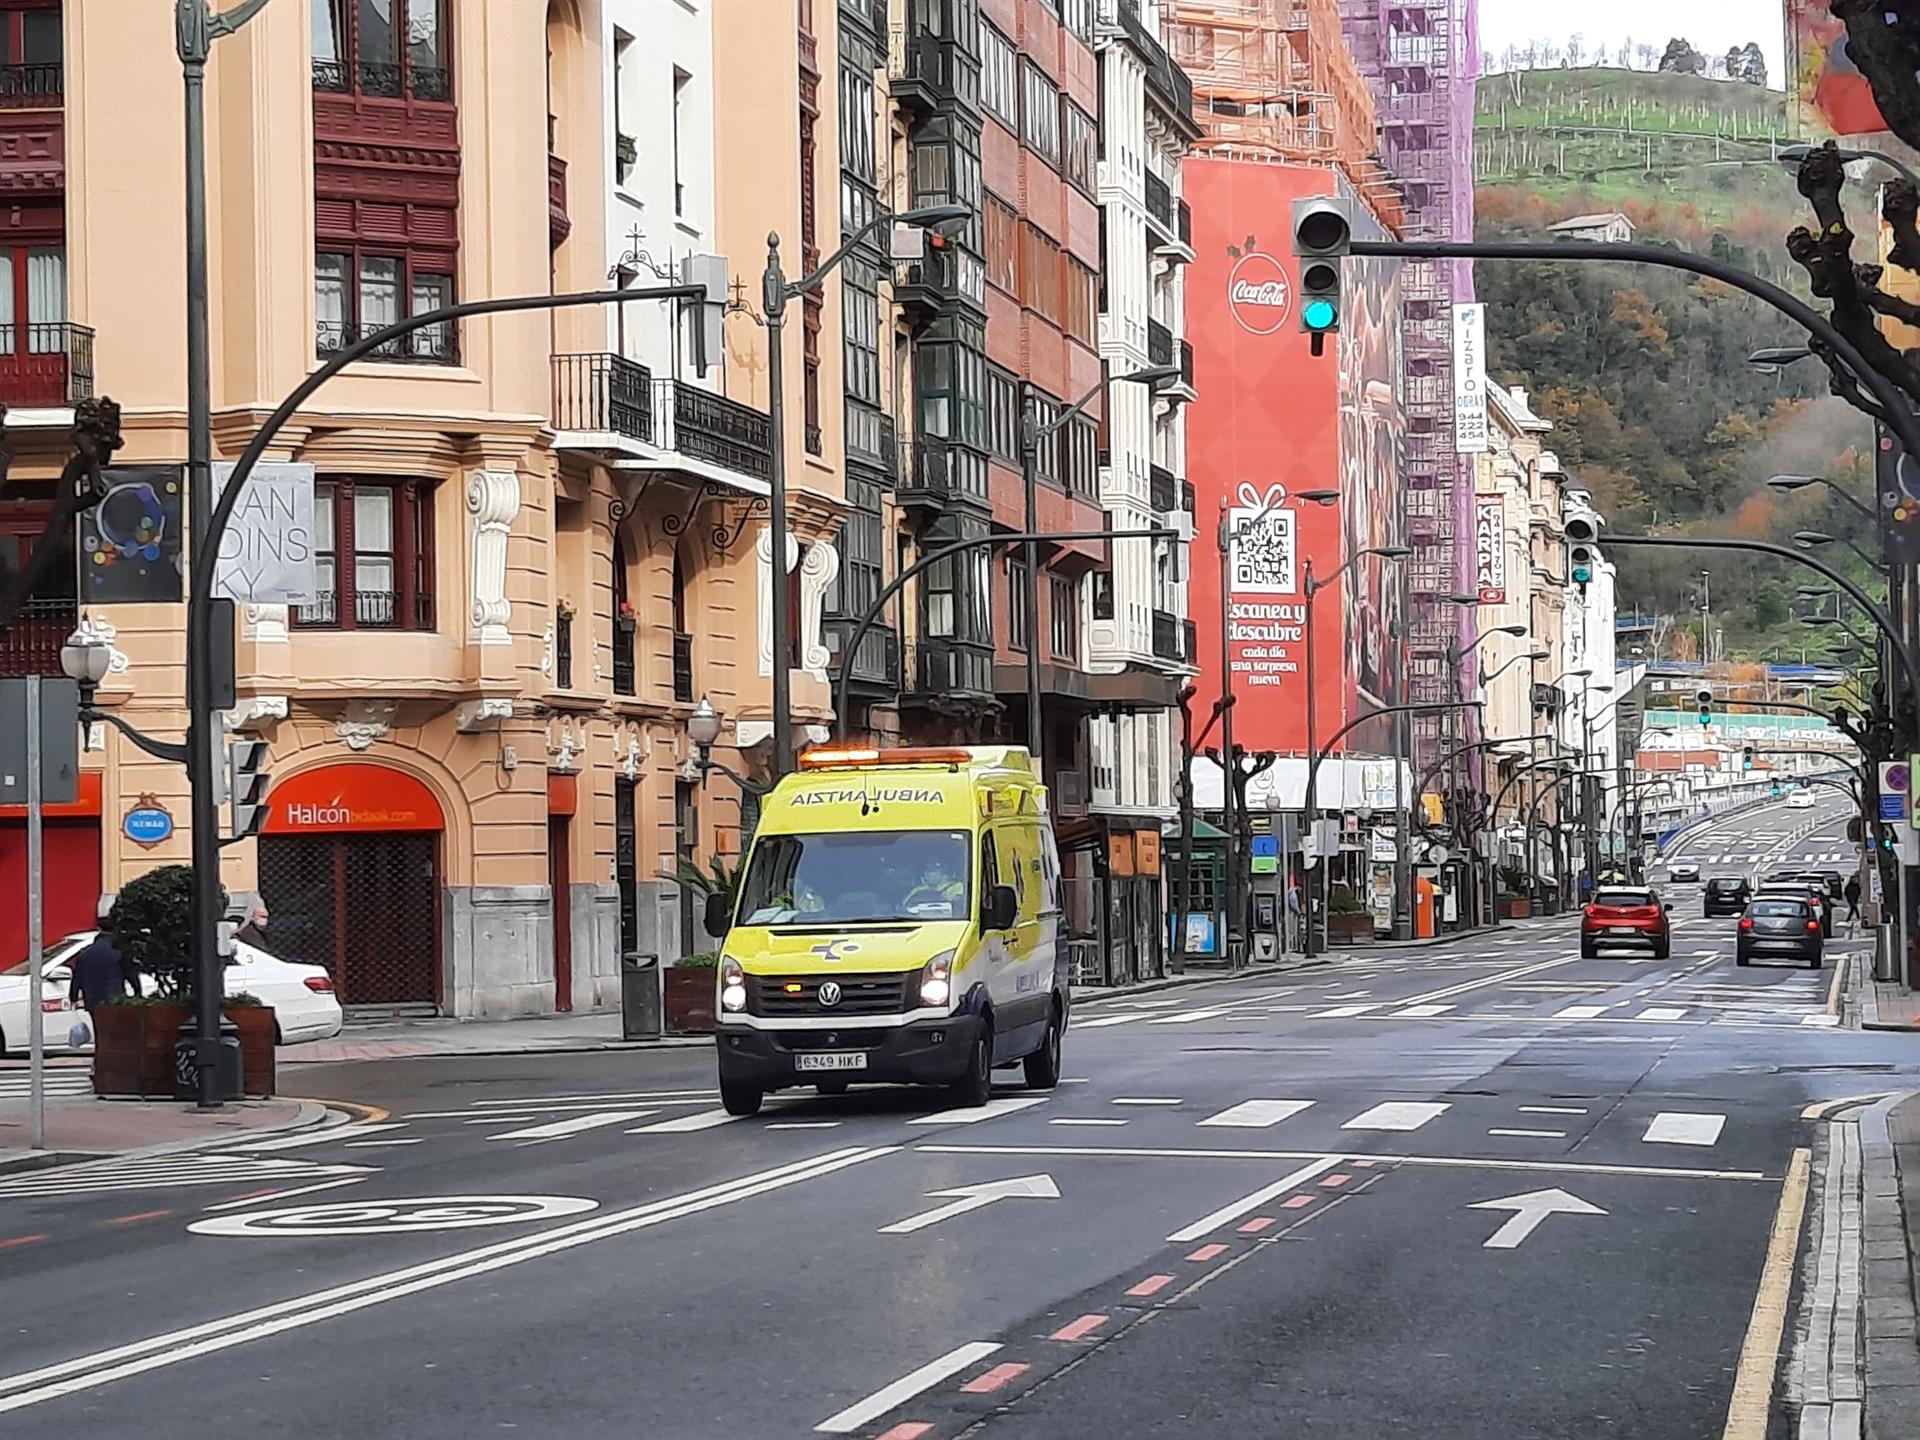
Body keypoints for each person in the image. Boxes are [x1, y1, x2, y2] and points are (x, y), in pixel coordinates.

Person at [68, 930, 132, 1010]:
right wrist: (137, 990)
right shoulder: (118, 952)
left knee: (98, 1020)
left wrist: (73, 997)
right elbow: (130, 973)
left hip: (92, 999)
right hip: (115, 997)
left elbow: (76, 979)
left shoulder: (84, 955)